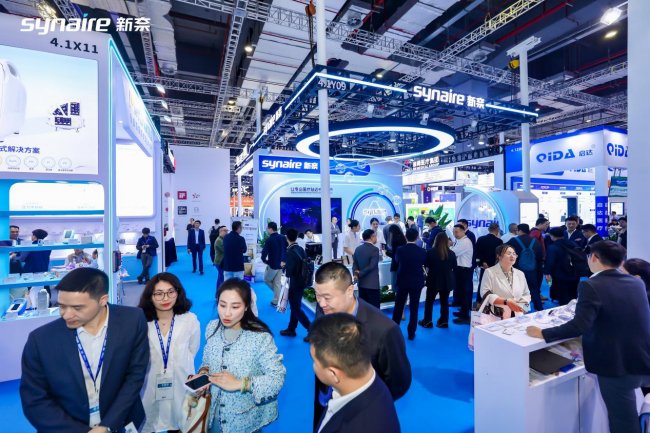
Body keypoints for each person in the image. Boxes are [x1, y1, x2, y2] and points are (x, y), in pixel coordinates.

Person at [527, 241, 650, 433]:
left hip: (616, 365)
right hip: (641, 359)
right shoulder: (636, 283)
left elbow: (579, 326)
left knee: (622, 422)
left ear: (594, 258)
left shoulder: (591, 285)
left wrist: (543, 333)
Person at [20, 268, 149, 432]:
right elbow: (35, 400)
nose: (66, 315)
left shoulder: (133, 320)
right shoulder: (40, 340)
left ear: (102, 300)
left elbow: (135, 377)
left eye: (77, 308)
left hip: (120, 422)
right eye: (61, 306)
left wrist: (107, 426)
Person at [312, 262, 411, 428]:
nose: (321, 304)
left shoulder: (385, 330)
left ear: (349, 290)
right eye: (317, 296)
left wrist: (365, 401)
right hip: (325, 403)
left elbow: (399, 383)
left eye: (327, 298)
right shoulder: (325, 311)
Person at [194, 278, 286, 433]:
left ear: (246, 307)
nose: (227, 313)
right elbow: (207, 361)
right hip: (212, 414)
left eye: (235, 306)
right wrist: (202, 374)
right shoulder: (212, 328)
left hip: (244, 421)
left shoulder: (260, 338)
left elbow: (277, 379)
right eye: (222, 305)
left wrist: (240, 384)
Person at [310, 314, 400, 433]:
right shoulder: (371, 380)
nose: (313, 366)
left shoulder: (357, 427)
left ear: (333, 374)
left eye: (314, 361)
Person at [138, 273, 200, 433]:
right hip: (150, 385)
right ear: (150, 296)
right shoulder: (141, 322)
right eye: (159, 293)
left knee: (180, 422)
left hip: (181, 382)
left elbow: (193, 350)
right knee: (148, 423)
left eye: (170, 292)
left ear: (178, 293)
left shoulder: (190, 320)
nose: (165, 298)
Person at [392, 228, 427, 340]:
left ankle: (394, 331)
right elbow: (424, 263)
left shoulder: (400, 250)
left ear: (405, 236)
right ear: (417, 237)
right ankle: (411, 333)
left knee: (398, 306)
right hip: (416, 282)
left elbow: (396, 261)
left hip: (402, 281)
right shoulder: (422, 251)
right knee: (414, 308)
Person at [480, 244, 531, 318]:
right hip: (497, 315)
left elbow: (526, 294)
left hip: (518, 314)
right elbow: (485, 293)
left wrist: (523, 307)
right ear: (499, 256)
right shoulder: (489, 272)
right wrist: (506, 301)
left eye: (514, 254)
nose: (512, 256)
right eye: (509, 253)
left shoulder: (520, 273)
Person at [420, 232, 457, 329]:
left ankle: (427, 321)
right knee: (444, 302)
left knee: (429, 301)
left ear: (436, 240)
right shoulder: (452, 253)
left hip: (433, 280)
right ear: (446, 241)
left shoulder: (430, 252)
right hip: (447, 280)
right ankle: (444, 321)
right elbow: (454, 266)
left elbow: (426, 265)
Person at [281, 228, 311, 338]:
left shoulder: (290, 252)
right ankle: (291, 328)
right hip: (302, 281)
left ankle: (311, 329)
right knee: (295, 306)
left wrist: (284, 266)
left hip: (294, 283)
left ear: (287, 238)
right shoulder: (300, 249)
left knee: (295, 308)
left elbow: (289, 271)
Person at [507, 224, 543, 311]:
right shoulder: (535, 241)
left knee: (519, 291)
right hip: (532, 270)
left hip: (517, 270)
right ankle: (539, 308)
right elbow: (540, 256)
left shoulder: (513, 241)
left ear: (519, 230)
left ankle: (522, 310)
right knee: (534, 289)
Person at [544, 227, 581, 305]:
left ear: (552, 236)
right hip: (574, 271)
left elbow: (550, 262)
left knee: (562, 293)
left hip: (559, 273)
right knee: (573, 290)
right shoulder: (572, 243)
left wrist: (547, 273)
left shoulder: (552, 247)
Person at [20, 229, 52, 305]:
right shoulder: (48, 246)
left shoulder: (29, 246)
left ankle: (32, 306)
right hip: (43, 270)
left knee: (31, 292)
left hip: (30, 271)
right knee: (45, 290)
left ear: (34, 236)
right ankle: (47, 305)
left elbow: (22, 258)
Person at [451, 224, 474, 324]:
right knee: (461, 292)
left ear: (463, 231)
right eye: (453, 232)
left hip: (464, 270)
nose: (454, 234)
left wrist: (447, 247)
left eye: (456, 232)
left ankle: (465, 316)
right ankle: (463, 312)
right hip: (460, 270)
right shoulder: (460, 241)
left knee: (465, 293)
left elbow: (453, 253)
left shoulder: (465, 242)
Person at [474, 223, 503, 302]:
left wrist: (482, 262)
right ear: (497, 230)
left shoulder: (481, 239)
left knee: (482, 283)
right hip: (495, 266)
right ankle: (492, 302)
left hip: (484, 266)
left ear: (488, 229)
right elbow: (499, 255)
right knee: (494, 285)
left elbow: (477, 252)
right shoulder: (499, 241)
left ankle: (479, 301)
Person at [353, 229, 381, 308]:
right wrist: (359, 273)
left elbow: (355, 264)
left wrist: (356, 274)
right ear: (371, 237)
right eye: (375, 236)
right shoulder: (375, 249)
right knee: (375, 309)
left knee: (363, 308)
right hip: (372, 284)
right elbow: (372, 266)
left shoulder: (358, 249)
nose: (376, 238)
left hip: (361, 284)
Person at [262, 222, 288, 307]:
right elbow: (286, 249)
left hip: (273, 264)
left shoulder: (269, 240)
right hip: (281, 264)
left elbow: (264, 252)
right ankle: (277, 300)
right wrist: (284, 260)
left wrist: (264, 260)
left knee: (267, 280)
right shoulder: (283, 237)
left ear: (270, 229)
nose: (266, 230)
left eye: (267, 228)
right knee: (277, 282)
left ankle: (279, 295)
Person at [385, 225, 407, 298]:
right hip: (402, 266)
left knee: (395, 284)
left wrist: (387, 253)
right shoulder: (403, 239)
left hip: (395, 265)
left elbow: (395, 255)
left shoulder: (395, 240)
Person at [213, 225, 228, 290]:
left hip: (221, 261)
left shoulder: (222, 239)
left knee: (220, 277)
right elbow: (225, 250)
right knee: (222, 277)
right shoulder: (219, 240)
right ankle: (220, 292)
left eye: (227, 231)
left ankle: (218, 292)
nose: (227, 232)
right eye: (225, 231)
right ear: (220, 231)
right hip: (219, 262)